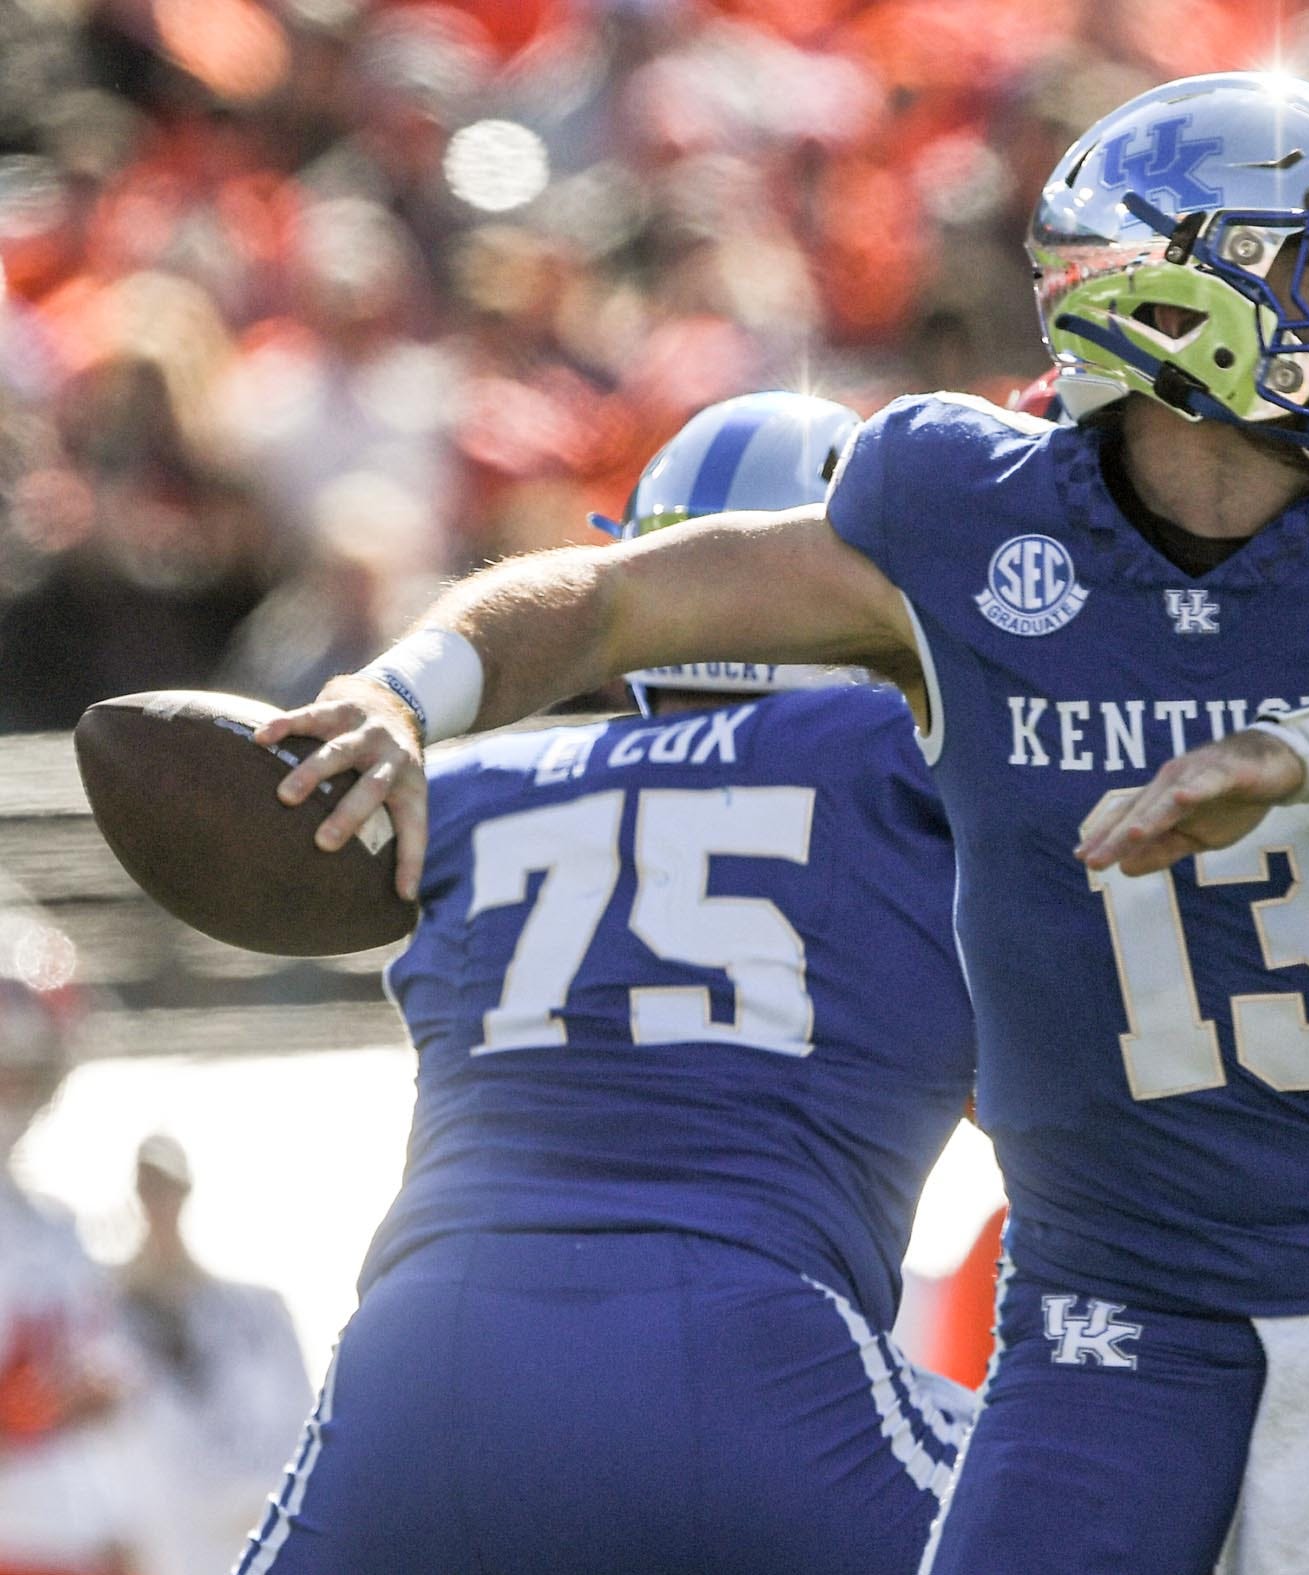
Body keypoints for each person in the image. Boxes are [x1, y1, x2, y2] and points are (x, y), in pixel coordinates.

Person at [257, 72, 1309, 1575]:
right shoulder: (965, 518)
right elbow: (612, 599)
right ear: (1176, 306)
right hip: (1121, 1326)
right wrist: (406, 692)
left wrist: (1304, 754)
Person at [236, 391, 982, 1575]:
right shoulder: (910, 773)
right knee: (1179, 1502)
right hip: (757, 1353)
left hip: (422, 1357)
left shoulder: (469, 793)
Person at [0, 959, 160, 1575]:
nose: (13, 1094)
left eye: (23, 1075)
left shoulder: (56, 1227)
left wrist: (123, 1523)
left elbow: (111, 1386)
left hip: (74, 1536)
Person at [117, 1135, 312, 1575]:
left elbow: (298, 1422)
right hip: (167, 1546)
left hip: (250, 1535)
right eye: (149, 1189)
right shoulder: (107, 1313)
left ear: (184, 1191)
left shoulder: (257, 1311)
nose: (158, 1202)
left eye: (165, 1188)